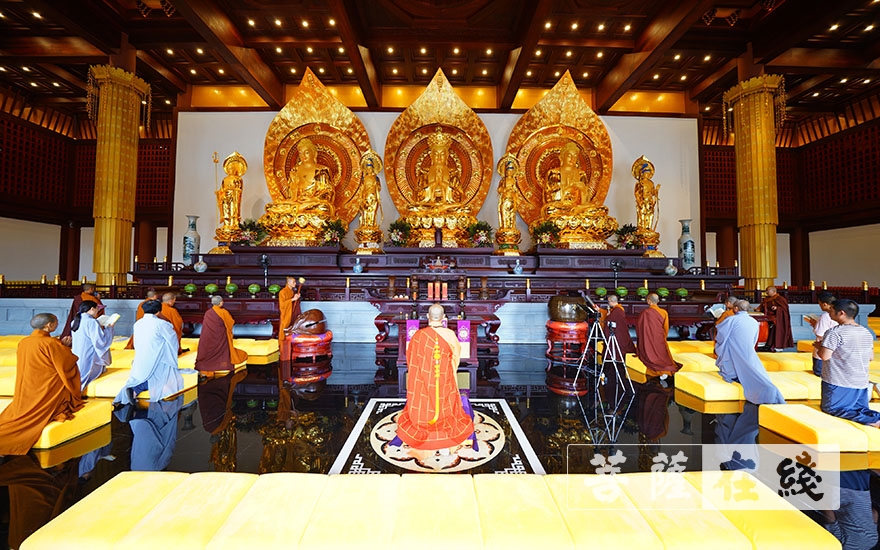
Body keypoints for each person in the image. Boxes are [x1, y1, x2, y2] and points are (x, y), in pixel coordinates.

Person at [395, 303, 474, 460]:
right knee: (446, 404)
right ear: (444, 318)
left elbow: (411, 361)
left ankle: (427, 438)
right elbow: (455, 358)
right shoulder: (450, 335)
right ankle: (445, 442)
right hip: (444, 380)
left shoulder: (418, 336)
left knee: (423, 403)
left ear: (427, 317)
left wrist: (425, 374)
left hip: (424, 382)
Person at [0, 313, 83, 455]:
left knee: (16, 415)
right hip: (46, 388)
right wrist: (65, 347)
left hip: (27, 386)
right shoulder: (51, 343)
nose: (57, 324)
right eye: (56, 322)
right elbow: (67, 363)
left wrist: (60, 345)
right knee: (35, 417)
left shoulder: (24, 342)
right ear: (49, 325)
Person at [816, 299, 880, 427]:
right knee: (860, 408)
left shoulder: (834, 332)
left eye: (831, 310)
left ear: (841, 313)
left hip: (839, 381)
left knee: (832, 408)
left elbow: (824, 356)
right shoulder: (865, 332)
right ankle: (875, 419)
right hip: (861, 381)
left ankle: (875, 421)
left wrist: (820, 346)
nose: (829, 312)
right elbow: (870, 357)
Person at [715, 299, 785, 405]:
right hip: (748, 350)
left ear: (736, 308)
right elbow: (755, 339)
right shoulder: (754, 322)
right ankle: (768, 390)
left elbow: (721, 336)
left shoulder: (731, 320)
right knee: (754, 369)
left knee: (729, 354)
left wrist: (719, 346)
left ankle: (733, 375)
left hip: (733, 350)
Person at [115, 300, 182, 405]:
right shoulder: (162, 324)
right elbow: (172, 341)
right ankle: (136, 389)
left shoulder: (138, 323)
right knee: (166, 378)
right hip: (158, 357)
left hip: (141, 357)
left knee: (142, 375)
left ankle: (134, 391)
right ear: (158, 311)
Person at [195, 296, 248, 374]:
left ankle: (206, 364)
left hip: (209, 337)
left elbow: (206, 327)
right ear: (220, 303)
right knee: (225, 349)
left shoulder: (208, 313)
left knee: (208, 349)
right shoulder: (223, 312)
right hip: (221, 336)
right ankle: (222, 364)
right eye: (222, 301)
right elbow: (231, 322)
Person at [542, 142, 596, 217]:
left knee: (597, 209)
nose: (572, 159)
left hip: (577, 208)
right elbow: (548, 198)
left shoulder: (581, 174)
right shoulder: (553, 173)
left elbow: (586, 202)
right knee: (549, 210)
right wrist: (566, 191)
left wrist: (583, 190)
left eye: (575, 156)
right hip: (559, 208)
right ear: (562, 157)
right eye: (569, 156)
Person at [71, 299, 114, 392]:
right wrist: (109, 329)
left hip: (77, 352)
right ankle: (76, 393)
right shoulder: (91, 322)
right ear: (92, 309)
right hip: (88, 353)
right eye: (97, 309)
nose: (97, 312)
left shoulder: (75, 321)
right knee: (85, 374)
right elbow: (100, 342)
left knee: (78, 373)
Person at [635, 293, 681, 381]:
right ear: (658, 301)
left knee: (648, 354)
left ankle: (660, 370)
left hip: (648, 340)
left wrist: (642, 339)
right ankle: (666, 369)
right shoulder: (663, 312)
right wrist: (663, 338)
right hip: (659, 338)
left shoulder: (645, 313)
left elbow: (639, 328)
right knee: (663, 356)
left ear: (649, 301)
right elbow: (666, 328)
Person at [415, 127, 461, 210]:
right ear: (431, 156)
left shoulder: (453, 174)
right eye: (436, 154)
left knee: (462, 209)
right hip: (428, 206)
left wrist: (443, 184)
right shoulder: (424, 173)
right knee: (414, 208)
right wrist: (434, 184)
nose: (439, 158)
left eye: (442, 154)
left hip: (448, 206)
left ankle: (442, 208)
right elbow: (419, 195)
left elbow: (458, 196)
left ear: (447, 156)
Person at [285, 137, 334, 214]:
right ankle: (299, 209)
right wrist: (294, 182)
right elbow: (289, 197)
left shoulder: (322, 170)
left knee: (324, 208)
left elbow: (328, 192)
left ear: (314, 153)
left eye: (307, 152)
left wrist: (313, 200)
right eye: (300, 153)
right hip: (297, 204)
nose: (303, 155)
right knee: (270, 207)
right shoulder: (294, 170)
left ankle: (298, 210)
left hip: (313, 204)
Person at [807, 291, 837, 377]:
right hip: (836, 350)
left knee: (819, 372)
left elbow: (820, 333)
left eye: (819, 304)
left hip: (823, 348)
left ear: (824, 304)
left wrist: (816, 325)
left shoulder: (825, 316)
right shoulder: (838, 314)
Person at [756, 286, 794, 351]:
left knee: (776, 331)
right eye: (766, 291)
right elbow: (762, 307)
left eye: (768, 291)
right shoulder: (767, 299)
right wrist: (758, 309)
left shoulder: (780, 299)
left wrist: (777, 308)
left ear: (773, 291)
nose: (766, 292)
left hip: (778, 318)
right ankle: (769, 345)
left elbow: (785, 309)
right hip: (768, 318)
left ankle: (777, 346)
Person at [217, 151, 245, 230]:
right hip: (225, 197)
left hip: (234, 197)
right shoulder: (225, 179)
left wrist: (234, 191)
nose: (230, 170)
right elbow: (222, 189)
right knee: (226, 210)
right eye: (229, 168)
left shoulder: (238, 179)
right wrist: (219, 193)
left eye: (232, 168)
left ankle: (233, 224)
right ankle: (226, 224)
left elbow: (239, 189)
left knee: (233, 210)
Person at [278, 275, 303, 364]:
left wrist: (297, 298)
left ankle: (291, 347)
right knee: (284, 329)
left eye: (295, 282)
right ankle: (282, 348)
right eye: (293, 282)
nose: (295, 283)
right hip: (286, 315)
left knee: (292, 329)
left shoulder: (291, 291)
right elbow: (282, 305)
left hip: (292, 314)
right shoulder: (282, 292)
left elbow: (294, 304)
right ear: (288, 283)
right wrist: (293, 299)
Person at [633, 156, 659, 232]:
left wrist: (656, 190)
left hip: (649, 201)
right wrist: (639, 201)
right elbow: (637, 193)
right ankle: (642, 228)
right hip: (642, 201)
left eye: (648, 173)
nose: (647, 175)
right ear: (642, 173)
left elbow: (653, 193)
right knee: (642, 214)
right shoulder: (639, 183)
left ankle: (648, 228)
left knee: (650, 214)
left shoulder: (651, 183)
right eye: (646, 173)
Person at [358, 151, 383, 228]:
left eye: (370, 168)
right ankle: (365, 224)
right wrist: (360, 197)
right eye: (367, 169)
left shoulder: (376, 178)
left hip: (373, 196)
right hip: (365, 196)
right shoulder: (364, 178)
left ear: (373, 169)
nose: (369, 170)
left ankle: (372, 224)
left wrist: (376, 186)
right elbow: (362, 188)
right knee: (365, 211)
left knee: (373, 211)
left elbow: (379, 188)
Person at [496, 155, 520, 231]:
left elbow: (516, 190)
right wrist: (504, 189)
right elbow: (499, 189)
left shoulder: (513, 180)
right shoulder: (503, 181)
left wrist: (512, 190)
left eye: (511, 170)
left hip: (511, 199)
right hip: (505, 198)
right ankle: (505, 227)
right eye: (507, 170)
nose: (509, 172)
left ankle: (511, 227)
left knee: (511, 214)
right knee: (504, 213)